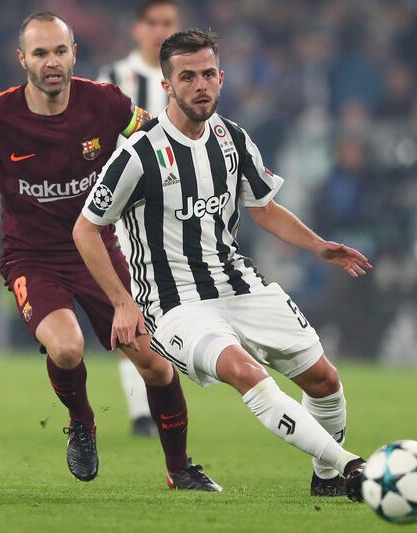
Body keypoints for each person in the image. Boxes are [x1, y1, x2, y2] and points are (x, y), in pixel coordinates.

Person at [0, 12, 220, 491]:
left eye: (59, 51)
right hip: (31, 259)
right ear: (22, 60)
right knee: (66, 345)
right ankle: (83, 422)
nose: (51, 62)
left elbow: (154, 134)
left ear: (74, 52)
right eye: (40, 53)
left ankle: (180, 469)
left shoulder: (104, 103)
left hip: (99, 251)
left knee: (155, 365)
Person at [74, 29, 372, 499]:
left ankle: (328, 479)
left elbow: (262, 207)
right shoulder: (137, 155)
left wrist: (319, 246)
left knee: (325, 380)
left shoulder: (231, 138)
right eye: (187, 76)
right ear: (167, 85)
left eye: (209, 74)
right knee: (245, 372)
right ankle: (354, 465)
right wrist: (122, 302)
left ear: (222, 78)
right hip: (177, 304)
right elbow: (85, 228)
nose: (200, 85)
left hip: (240, 285)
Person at [97, 0, 181, 437]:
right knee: (130, 303)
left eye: (167, 23)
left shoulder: (187, 80)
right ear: (136, 28)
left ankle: (159, 398)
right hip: (123, 212)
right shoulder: (112, 81)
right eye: (153, 22)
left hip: (176, 213)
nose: (160, 30)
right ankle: (142, 412)